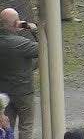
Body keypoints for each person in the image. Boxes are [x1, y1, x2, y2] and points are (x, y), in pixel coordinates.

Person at [0, 8, 38, 139]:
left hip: (3, 93)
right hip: (24, 91)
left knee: (6, 125)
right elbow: (44, 48)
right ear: (17, 23)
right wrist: (34, 30)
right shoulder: (21, 44)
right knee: (26, 126)